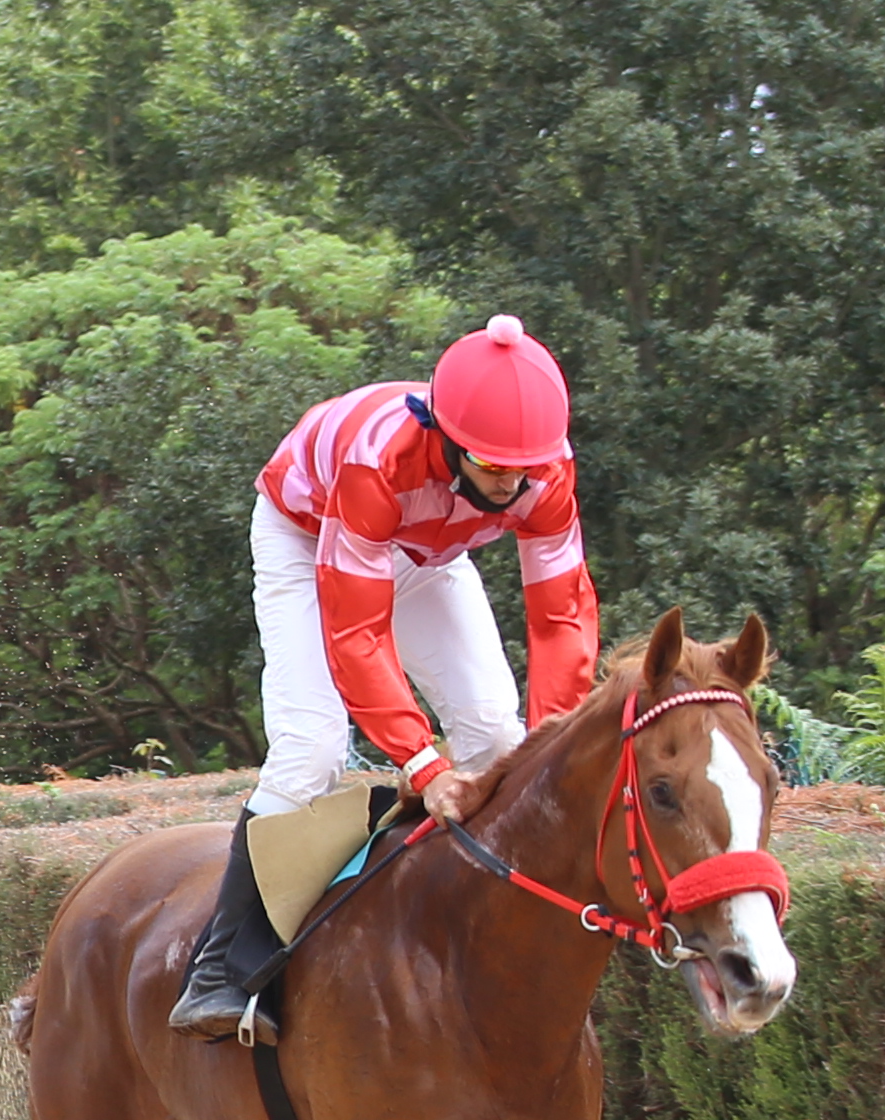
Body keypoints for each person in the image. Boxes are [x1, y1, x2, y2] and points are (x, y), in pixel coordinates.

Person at [166, 315, 602, 1041]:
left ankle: (470, 948)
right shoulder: (381, 461)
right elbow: (357, 635)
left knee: (501, 735)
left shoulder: (545, 472)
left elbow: (561, 622)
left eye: (519, 469)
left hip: (422, 552)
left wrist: (553, 743)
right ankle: (218, 968)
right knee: (312, 746)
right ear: (447, 437)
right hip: (309, 539)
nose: (507, 484)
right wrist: (423, 764)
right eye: (489, 466)